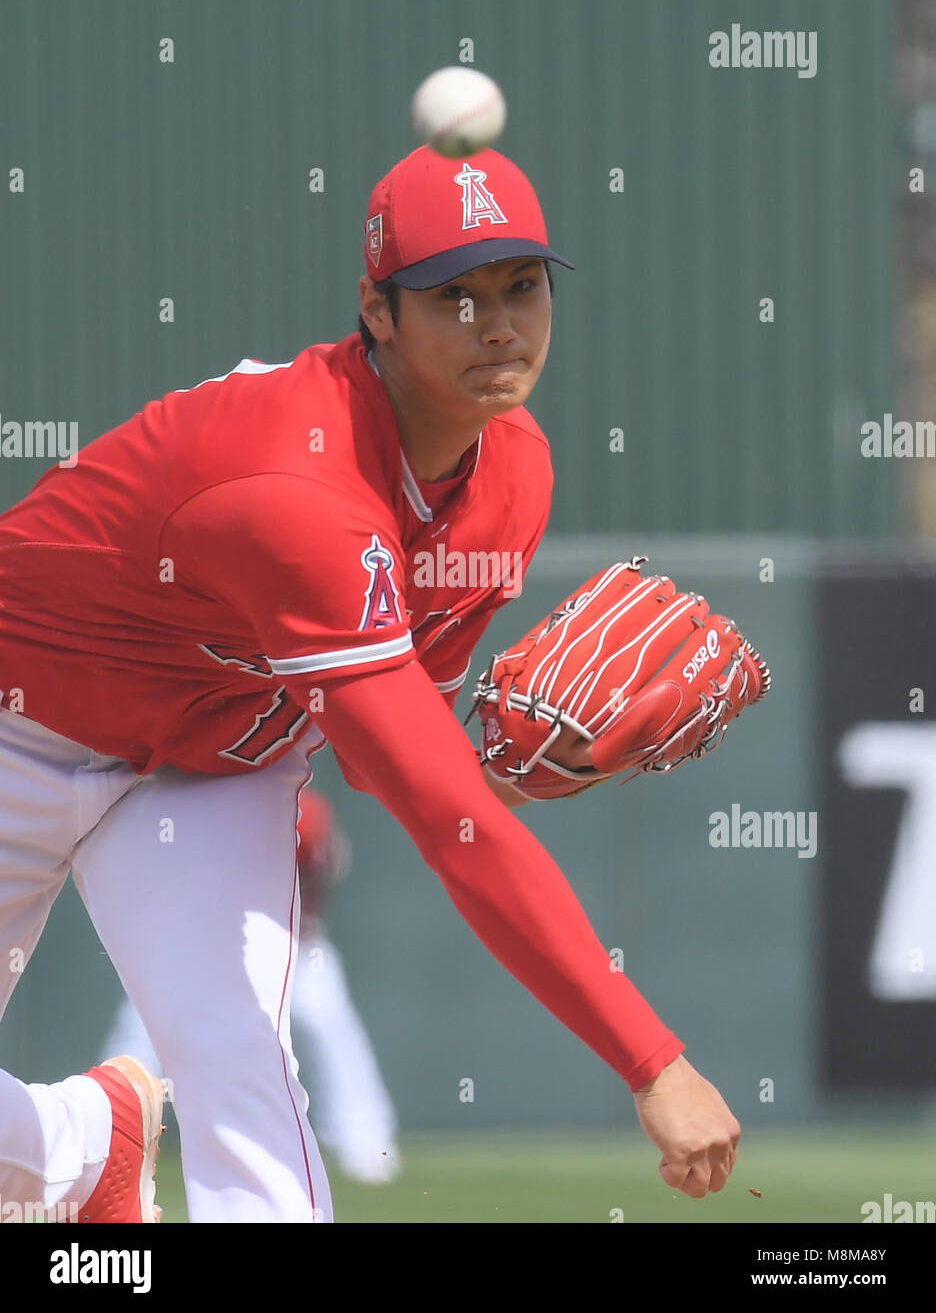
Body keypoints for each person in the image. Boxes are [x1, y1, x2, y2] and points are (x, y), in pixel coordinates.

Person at [0, 145, 739, 1223]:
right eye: (453, 295)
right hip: (25, 726)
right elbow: (452, 826)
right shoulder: (295, 486)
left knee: (237, 1064)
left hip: (211, 768)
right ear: (376, 312)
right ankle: (79, 1147)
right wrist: (652, 1060)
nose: (498, 323)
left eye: (522, 285)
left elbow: (390, 758)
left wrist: (497, 771)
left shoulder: (513, 474)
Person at [99, 785, 402, 1186]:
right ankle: (104, 1133)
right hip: (197, 940)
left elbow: (319, 884)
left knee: (328, 1022)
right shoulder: (192, 808)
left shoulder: (304, 812)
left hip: (289, 939)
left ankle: (365, 1140)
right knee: (140, 1030)